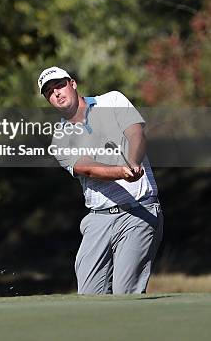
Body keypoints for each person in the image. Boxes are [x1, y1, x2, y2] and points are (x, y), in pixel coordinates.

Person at [38, 66, 163, 294]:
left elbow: (136, 133)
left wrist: (133, 162)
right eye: (48, 92)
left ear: (72, 83)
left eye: (59, 85)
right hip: (98, 219)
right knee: (88, 297)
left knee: (125, 293)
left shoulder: (112, 100)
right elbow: (87, 168)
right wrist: (123, 171)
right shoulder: (59, 139)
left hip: (138, 210)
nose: (56, 93)